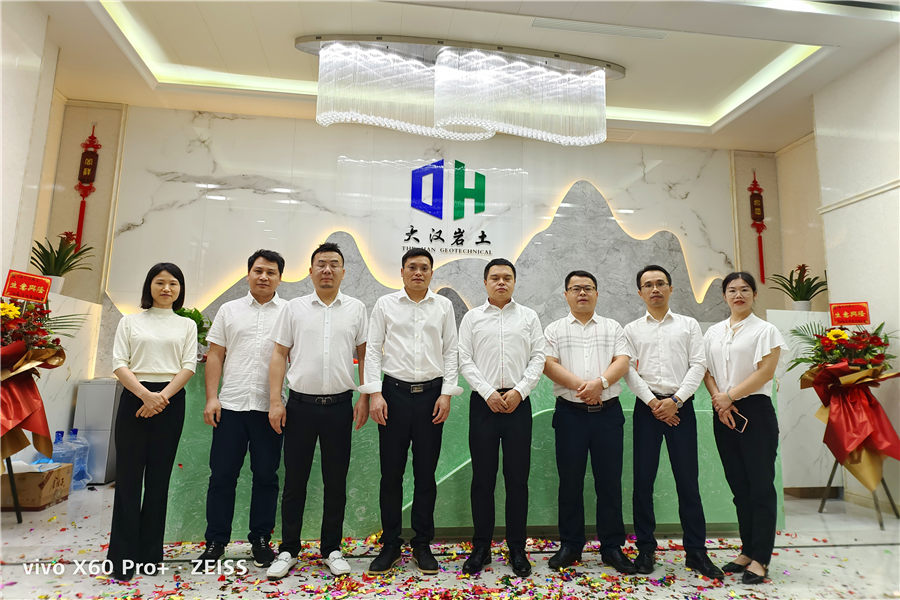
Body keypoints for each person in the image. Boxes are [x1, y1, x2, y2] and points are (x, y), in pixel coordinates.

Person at [265, 242, 369, 579]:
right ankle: (288, 549)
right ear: (310, 271)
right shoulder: (294, 308)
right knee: (294, 482)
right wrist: (276, 401)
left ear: (343, 271)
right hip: (300, 407)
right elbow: (279, 354)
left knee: (335, 482)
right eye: (321, 264)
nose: (327, 270)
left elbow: (366, 354)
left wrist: (365, 396)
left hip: (339, 407)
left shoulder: (356, 309)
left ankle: (331, 549)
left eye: (334, 264)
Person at [361, 247, 460, 575]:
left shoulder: (443, 306)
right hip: (393, 396)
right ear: (402, 272)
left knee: (425, 474)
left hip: (432, 396)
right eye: (412, 267)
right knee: (391, 474)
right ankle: (390, 543)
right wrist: (375, 394)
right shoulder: (385, 304)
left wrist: (446, 394)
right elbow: (373, 351)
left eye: (424, 268)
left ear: (431, 273)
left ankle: (422, 543)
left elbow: (451, 351)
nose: (418, 272)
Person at [623, 265, 724, 580]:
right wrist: (654, 403)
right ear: (640, 292)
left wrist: (675, 401)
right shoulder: (631, 330)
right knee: (643, 482)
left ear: (670, 288)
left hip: (681, 408)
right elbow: (628, 370)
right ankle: (645, 549)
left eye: (660, 283)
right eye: (648, 285)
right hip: (647, 410)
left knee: (687, 481)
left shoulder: (688, 325)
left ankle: (696, 552)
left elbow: (698, 364)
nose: (655, 289)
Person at [196, 250, 285, 569]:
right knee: (222, 476)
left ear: (280, 278)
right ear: (248, 274)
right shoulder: (229, 310)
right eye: (258, 270)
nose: (263, 276)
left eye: (271, 272)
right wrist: (212, 397)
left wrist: (280, 401)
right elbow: (215, 355)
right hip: (230, 406)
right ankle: (215, 541)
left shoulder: (289, 313)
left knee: (266, 476)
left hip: (269, 409)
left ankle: (260, 539)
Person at [542, 270, 636, 574]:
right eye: (576, 288)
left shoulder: (613, 327)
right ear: (566, 294)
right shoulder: (554, 329)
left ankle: (612, 547)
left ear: (597, 293)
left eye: (588, 288)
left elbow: (623, 361)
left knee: (609, 482)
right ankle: (571, 545)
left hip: (608, 415)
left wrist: (601, 384)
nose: (582, 293)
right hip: (570, 415)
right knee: (570, 482)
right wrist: (585, 388)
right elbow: (548, 365)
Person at [107, 263, 197, 581]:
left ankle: (149, 557)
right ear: (149, 286)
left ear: (180, 289)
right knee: (128, 481)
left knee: (158, 483)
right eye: (160, 282)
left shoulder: (187, 325)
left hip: (170, 402)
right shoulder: (130, 321)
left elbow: (188, 366)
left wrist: (160, 398)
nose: (166, 288)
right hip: (135, 398)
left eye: (173, 283)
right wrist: (145, 395)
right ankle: (122, 558)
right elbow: (119, 362)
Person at [458, 258, 546, 577]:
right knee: (483, 479)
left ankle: (517, 548)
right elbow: (464, 359)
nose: (501, 282)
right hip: (484, 404)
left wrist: (520, 391)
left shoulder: (529, 317)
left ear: (514, 282)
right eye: (494, 277)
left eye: (507, 277)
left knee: (517, 479)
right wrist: (487, 392)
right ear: (485, 282)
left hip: (518, 404)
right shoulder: (472, 318)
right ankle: (481, 547)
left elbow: (538, 358)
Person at [703, 271, 785, 585]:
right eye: (732, 290)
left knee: (760, 487)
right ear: (724, 296)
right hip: (723, 412)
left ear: (754, 295)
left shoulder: (765, 330)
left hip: (754, 412)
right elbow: (706, 371)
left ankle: (761, 559)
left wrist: (730, 396)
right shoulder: (714, 332)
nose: (738, 295)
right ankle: (747, 550)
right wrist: (719, 400)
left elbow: (765, 372)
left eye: (745, 290)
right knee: (739, 487)